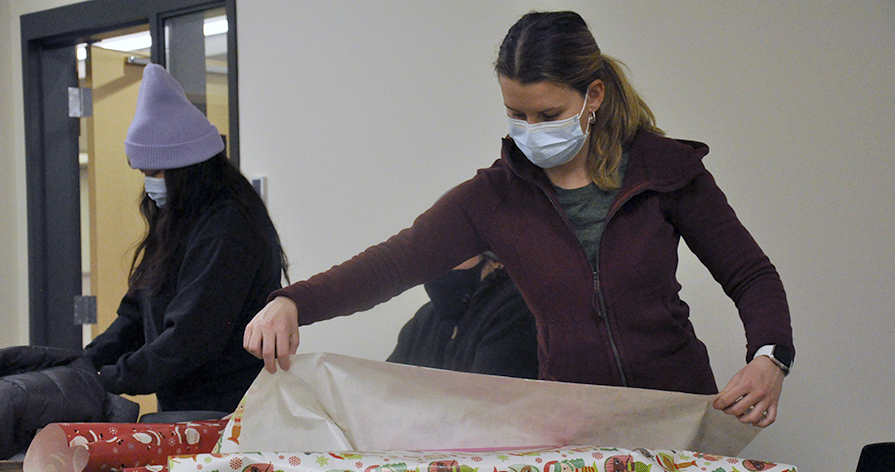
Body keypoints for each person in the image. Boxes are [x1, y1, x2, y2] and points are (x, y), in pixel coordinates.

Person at [244, 10, 793, 428]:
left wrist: (769, 358)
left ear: (592, 95)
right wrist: (294, 301)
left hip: (678, 414)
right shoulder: (494, 197)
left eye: (548, 114)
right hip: (573, 428)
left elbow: (751, 275)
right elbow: (394, 263)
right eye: (516, 114)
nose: (530, 129)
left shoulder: (665, 171)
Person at [84, 64, 287, 414]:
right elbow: (134, 316)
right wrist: (83, 365)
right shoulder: (178, 219)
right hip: (184, 411)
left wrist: (109, 379)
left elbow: (188, 340)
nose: (149, 184)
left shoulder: (229, 227)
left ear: (187, 169)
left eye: (155, 173)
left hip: (231, 415)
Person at [387, 252, 538, 379]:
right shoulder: (425, 318)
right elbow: (386, 390)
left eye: (452, 252)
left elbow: (487, 398)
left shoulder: (515, 308)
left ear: (495, 261)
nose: (439, 264)